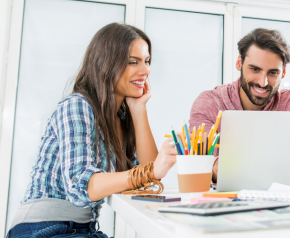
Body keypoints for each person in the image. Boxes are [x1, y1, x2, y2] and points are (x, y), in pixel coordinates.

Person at [7, 23, 177, 238]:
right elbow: (81, 187)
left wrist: (139, 110)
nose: (145, 71)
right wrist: (150, 172)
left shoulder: (122, 118)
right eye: (133, 62)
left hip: (82, 229)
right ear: (106, 64)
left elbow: (147, 183)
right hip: (42, 229)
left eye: (147, 61)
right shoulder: (77, 106)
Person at [189, 28, 290, 182]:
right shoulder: (210, 104)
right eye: (255, 69)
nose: (262, 82)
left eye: (273, 73)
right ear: (240, 63)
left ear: (284, 72)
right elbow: (199, 167)